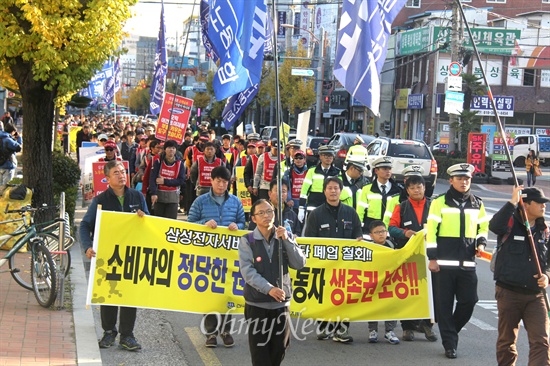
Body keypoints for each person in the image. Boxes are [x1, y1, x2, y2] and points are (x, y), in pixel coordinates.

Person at [80, 160, 149, 351]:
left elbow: (151, 222)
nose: (121, 175)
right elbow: (85, 225)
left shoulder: (137, 196)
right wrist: (87, 247)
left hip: (132, 255)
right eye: (116, 173)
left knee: (129, 296)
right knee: (108, 295)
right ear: (107, 178)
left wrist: (145, 218)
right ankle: (109, 331)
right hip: (109, 255)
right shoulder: (100, 200)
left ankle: (128, 335)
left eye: (123, 171)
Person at [426, 163, 488, 359]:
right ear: (451, 180)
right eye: (460, 178)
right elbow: (431, 231)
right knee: (444, 305)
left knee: (469, 301)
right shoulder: (439, 202)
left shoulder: (477, 203)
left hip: (468, 264)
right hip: (443, 264)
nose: (464, 182)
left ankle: (450, 331)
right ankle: (450, 344)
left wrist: (481, 243)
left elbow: (483, 226)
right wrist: (433, 258)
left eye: (467, 179)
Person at [239, 199, 306, 366]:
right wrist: (269, 289)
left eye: (269, 212)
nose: (266, 216)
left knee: (279, 350)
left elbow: (299, 263)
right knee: (260, 354)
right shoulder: (247, 240)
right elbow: (247, 272)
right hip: (257, 304)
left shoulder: (285, 235)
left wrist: (288, 241)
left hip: (281, 305)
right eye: (261, 213)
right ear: (253, 218)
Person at [489, 186, 550, 365]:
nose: (543, 207)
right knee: (506, 341)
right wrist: (512, 201)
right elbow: (494, 226)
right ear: (526, 204)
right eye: (539, 203)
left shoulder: (544, 230)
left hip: (536, 295)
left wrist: (546, 276)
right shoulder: (509, 222)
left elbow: (548, 262)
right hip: (509, 292)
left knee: (542, 341)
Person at [187, 166, 246, 348]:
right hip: (207, 256)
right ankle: (211, 333)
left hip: (229, 257)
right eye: (218, 181)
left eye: (225, 182)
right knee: (210, 294)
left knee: (227, 293)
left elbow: (243, 222)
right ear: (211, 181)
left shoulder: (236, 202)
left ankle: (226, 330)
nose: (221, 185)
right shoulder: (200, 201)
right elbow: (190, 224)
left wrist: (237, 225)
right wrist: (204, 223)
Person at [304, 177, 363, 343]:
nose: (333, 191)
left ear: (341, 190)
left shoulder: (350, 212)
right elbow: (309, 240)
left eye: (336, 188)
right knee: (324, 295)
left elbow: (358, 233)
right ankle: (324, 327)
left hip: (345, 266)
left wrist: (359, 239)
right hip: (324, 265)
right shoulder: (316, 214)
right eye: (329, 188)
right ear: (324, 191)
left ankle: (342, 329)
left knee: (345, 296)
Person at [388, 168, 438, 342]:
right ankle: (407, 327)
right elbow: (391, 228)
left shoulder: (434, 206)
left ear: (425, 188)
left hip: (431, 256)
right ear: (407, 190)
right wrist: (405, 233)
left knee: (432, 291)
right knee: (408, 290)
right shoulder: (401, 207)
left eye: (419, 187)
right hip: (408, 256)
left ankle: (427, 325)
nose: (417, 190)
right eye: (413, 188)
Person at [367, 220, 401, 345]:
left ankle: (389, 331)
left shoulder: (392, 245)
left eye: (383, 231)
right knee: (372, 306)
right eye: (377, 232)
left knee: (391, 305)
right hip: (373, 281)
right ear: (371, 235)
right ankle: (373, 330)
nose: (381, 234)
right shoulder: (368, 247)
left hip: (389, 282)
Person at [357, 157, 402, 233]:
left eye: (389, 169)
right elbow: (360, 211)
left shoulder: (398, 190)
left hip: (390, 229)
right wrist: (358, 229)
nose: (388, 171)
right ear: (376, 171)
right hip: (370, 229)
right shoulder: (367, 189)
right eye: (384, 169)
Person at [298, 145, 341, 224]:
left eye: (330, 155)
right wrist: (301, 207)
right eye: (326, 155)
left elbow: (340, 191)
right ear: (320, 156)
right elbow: (304, 190)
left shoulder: (337, 173)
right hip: (313, 206)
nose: (328, 158)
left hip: (330, 207)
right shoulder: (312, 171)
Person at [149, 140, 186, 219]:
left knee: (171, 222)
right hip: (159, 197)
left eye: (173, 148)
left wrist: (165, 181)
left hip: (173, 198)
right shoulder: (158, 162)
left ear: (176, 150)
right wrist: (153, 193)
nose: (171, 150)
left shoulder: (180, 164)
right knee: (158, 222)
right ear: (165, 149)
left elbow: (181, 180)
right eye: (169, 147)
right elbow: (152, 178)